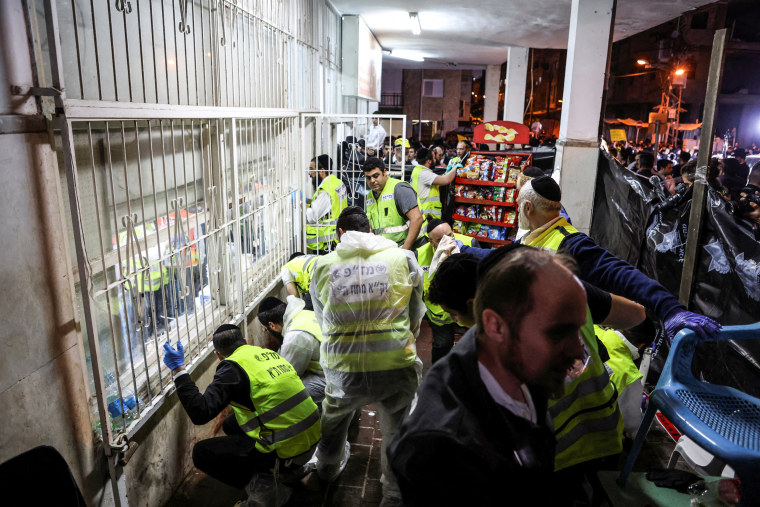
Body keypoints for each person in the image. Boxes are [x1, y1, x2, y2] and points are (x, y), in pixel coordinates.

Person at [388, 248, 587, 505]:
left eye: (578, 329)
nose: (577, 351)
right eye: (558, 333)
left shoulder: (522, 362)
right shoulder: (442, 450)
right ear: (494, 325)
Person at [309, 206, 424, 505]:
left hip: (343, 368)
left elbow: (324, 321)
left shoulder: (322, 266)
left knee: (334, 423)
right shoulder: (401, 258)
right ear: (371, 230)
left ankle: (326, 471)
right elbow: (416, 312)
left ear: (340, 234)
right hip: (394, 363)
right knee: (396, 431)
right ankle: (393, 494)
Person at [516, 176, 720, 342]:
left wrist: (669, 308)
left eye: (518, 205)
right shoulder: (533, 238)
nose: (516, 211)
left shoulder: (571, 243)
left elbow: (621, 273)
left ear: (527, 208)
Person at [162, 325, 321, 506]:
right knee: (231, 424)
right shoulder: (268, 354)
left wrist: (179, 370)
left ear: (218, 355)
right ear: (245, 342)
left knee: (201, 453)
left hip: (290, 452)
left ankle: (265, 489)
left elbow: (200, 413)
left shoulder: (232, 368)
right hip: (312, 439)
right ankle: (284, 471)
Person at [415, 219, 476, 362]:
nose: (448, 242)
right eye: (441, 239)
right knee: (442, 346)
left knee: (472, 346)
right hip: (439, 317)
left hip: (466, 312)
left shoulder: (469, 244)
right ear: (431, 242)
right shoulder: (420, 255)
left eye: (450, 235)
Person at [257, 296, 326, 404]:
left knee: (285, 391)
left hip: (331, 381)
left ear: (272, 325)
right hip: (341, 370)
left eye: (267, 329)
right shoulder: (304, 314)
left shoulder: (295, 337)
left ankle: (314, 416)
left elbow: (287, 375)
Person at [362, 157, 424, 250]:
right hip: (388, 251)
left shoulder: (399, 189)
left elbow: (417, 219)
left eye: (376, 176)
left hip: (411, 248)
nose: (372, 181)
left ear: (384, 172)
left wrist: (405, 250)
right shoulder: (370, 196)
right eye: (368, 178)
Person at [306, 155, 348, 254]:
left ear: (322, 171)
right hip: (339, 237)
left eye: (312, 170)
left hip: (327, 243)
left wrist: (303, 205)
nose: (310, 174)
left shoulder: (325, 191)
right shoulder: (337, 182)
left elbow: (313, 217)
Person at [409, 148, 457, 222]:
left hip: (424, 215)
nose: (435, 160)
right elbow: (446, 180)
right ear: (429, 161)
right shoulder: (424, 173)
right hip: (427, 217)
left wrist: (448, 172)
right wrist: (455, 168)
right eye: (434, 158)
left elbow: (439, 179)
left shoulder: (418, 170)